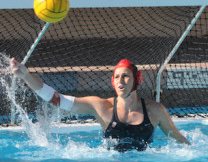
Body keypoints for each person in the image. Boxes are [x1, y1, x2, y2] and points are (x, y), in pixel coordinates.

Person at [10, 58, 190, 151]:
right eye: (117, 77)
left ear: (136, 80)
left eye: (126, 76)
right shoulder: (102, 107)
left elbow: (180, 142)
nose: (121, 81)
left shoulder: (155, 111)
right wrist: (26, 76)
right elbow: (57, 100)